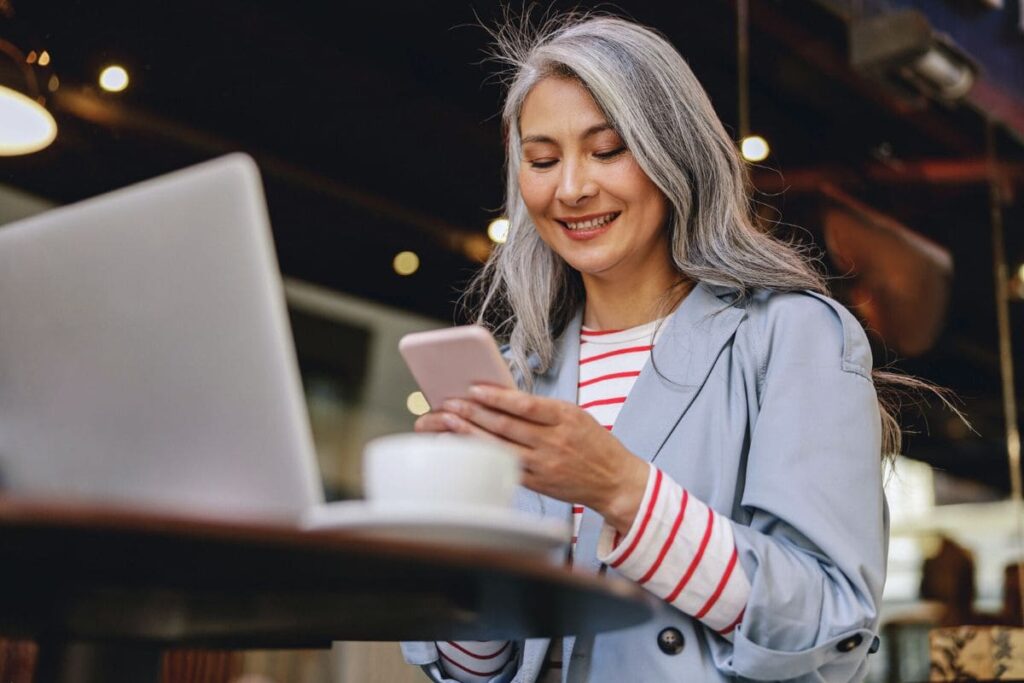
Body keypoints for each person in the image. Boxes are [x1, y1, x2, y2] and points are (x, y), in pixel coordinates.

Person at [402, 12, 890, 683]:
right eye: (542, 160)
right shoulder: (518, 376)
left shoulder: (791, 336)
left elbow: (831, 622)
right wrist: (457, 532)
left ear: (674, 152)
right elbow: (484, 669)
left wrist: (622, 488)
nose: (570, 187)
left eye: (606, 150)